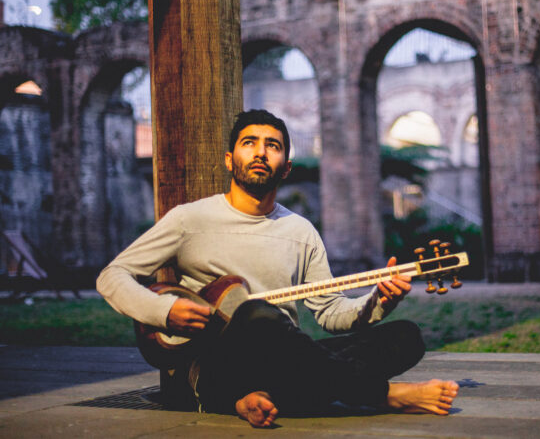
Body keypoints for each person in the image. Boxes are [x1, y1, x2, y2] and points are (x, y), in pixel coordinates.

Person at [97, 109, 458, 427]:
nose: (259, 152)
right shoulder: (189, 220)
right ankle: (384, 395)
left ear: (285, 166)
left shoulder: (301, 232)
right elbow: (112, 276)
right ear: (229, 159)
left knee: (405, 337)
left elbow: (330, 313)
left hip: (285, 358)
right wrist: (164, 310)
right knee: (258, 315)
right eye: (249, 142)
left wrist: (378, 300)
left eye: (272, 145)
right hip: (215, 363)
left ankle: (256, 398)